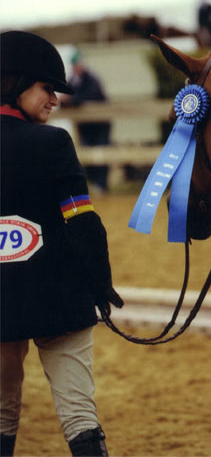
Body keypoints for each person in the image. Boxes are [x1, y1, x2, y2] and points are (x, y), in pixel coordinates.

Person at [0, 31, 123, 456]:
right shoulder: (53, 142)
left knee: (0, 413)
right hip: (59, 300)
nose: (54, 99)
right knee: (79, 415)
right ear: (14, 83)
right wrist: (101, 284)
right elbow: (82, 221)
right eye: (47, 87)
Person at [61, 51, 111, 194]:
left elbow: (91, 96)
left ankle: (102, 185)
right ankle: (94, 183)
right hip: (85, 125)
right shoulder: (73, 80)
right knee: (86, 153)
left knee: (101, 153)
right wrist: (64, 102)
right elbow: (69, 98)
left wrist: (70, 100)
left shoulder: (92, 79)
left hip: (100, 124)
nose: (77, 67)